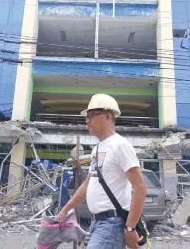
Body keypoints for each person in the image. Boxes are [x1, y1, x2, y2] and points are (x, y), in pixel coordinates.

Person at [57, 94, 147, 249]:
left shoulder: (120, 145)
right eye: (87, 116)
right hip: (97, 223)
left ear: (107, 116)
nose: (87, 120)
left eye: (92, 115)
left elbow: (140, 187)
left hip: (112, 223)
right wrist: (65, 210)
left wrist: (130, 228)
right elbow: (87, 185)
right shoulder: (97, 149)